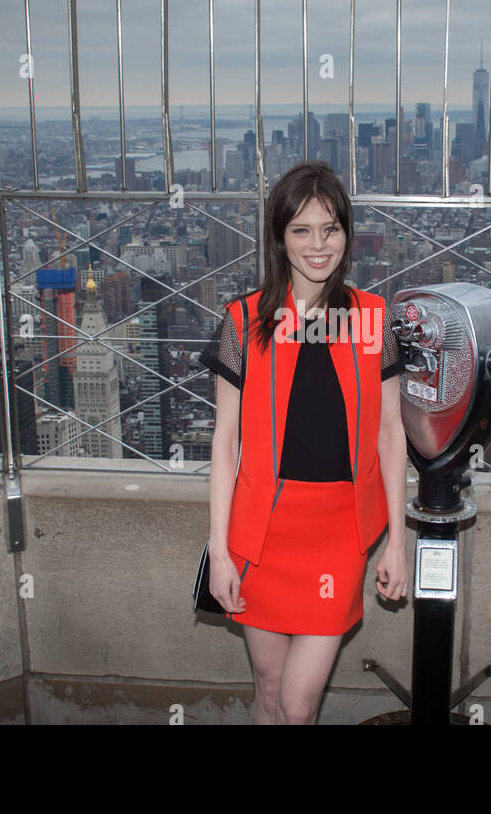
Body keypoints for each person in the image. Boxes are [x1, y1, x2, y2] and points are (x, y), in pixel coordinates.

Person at [200, 160, 408, 725]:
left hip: (338, 535)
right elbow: (225, 442)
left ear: (346, 232)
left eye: (331, 228)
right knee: (267, 691)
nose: (318, 245)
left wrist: (397, 540)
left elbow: (392, 433)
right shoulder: (243, 322)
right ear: (278, 237)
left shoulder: (374, 318)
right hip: (259, 536)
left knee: (297, 705)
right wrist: (219, 552)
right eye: (301, 230)